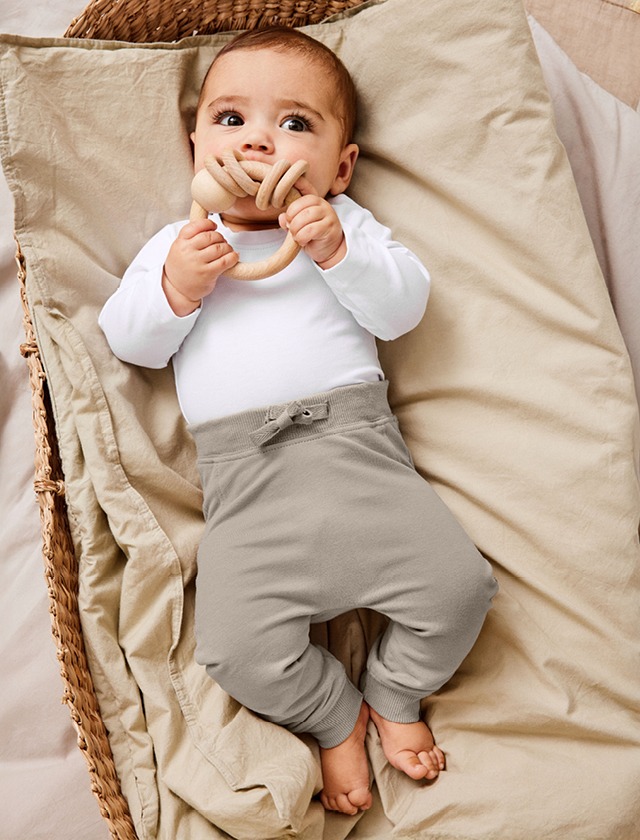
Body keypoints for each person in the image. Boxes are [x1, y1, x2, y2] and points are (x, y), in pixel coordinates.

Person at [99, 27, 498, 817]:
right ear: (196, 148)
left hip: (359, 458)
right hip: (249, 484)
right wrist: (178, 288)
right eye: (231, 119)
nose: (258, 141)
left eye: (294, 123)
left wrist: (339, 251)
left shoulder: (345, 224)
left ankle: (394, 688)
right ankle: (334, 713)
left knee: (461, 591)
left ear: (339, 168)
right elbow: (131, 342)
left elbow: (402, 308)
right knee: (233, 650)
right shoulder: (181, 244)